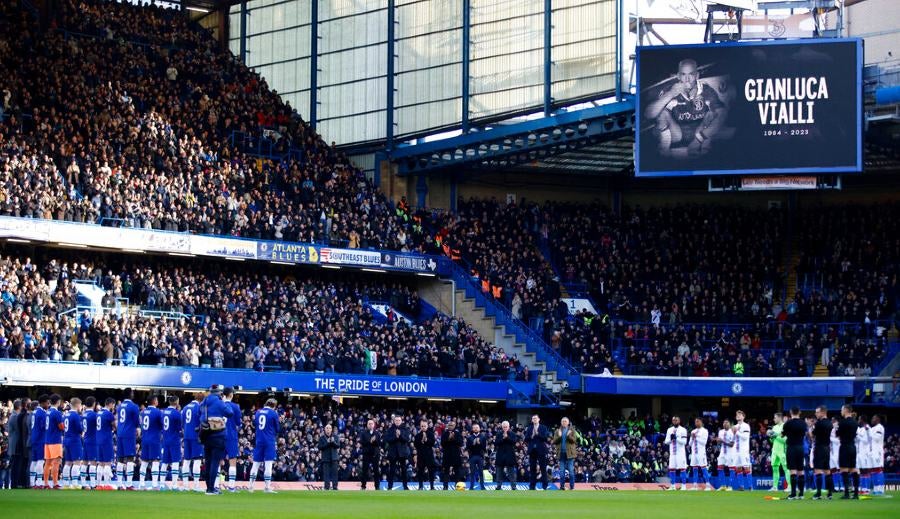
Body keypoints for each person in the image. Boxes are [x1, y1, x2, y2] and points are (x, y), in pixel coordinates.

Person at [643, 58, 726, 158]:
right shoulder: (671, 90)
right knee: (662, 113)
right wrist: (670, 94)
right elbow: (648, 114)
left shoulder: (706, 90)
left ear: (697, 75)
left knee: (712, 114)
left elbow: (722, 115)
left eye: (691, 74)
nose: (687, 79)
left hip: (699, 133)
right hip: (677, 135)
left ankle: (705, 151)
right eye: (683, 74)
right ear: (678, 76)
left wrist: (699, 138)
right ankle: (664, 151)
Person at [199, 384, 234, 495]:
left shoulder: (204, 401)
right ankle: (211, 488)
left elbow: (198, 414)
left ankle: (208, 487)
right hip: (218, 435)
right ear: (219, 392)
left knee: (208, 462)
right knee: (215, 462)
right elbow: (229, 413)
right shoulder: (219, 402)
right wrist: (224, 401)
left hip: (205, 435)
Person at [248, 398, 279, 493]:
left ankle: (251, 486)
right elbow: (277, 429)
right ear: (273, 406)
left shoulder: (258, 412)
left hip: (259, 440)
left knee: (256, 463)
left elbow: (255, 424)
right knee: (268, 464)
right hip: (269, 441)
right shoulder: (273, 413)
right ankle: (267, 487)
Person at [116, 388, 140, 490]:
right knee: (130, 458)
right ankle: (129, 484)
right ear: (130, 394)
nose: (133, 394)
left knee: (120, 459)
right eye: (133, 392)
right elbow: (136, 421)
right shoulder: (134, 406)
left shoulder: (119, 406)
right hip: (129, 434)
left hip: (120, 433)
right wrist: (138, 429)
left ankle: (119, 483)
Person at [782, 406, 807, 500]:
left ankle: (793, 493)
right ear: (799, 412)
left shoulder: (788, 423)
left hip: (791, 448)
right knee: (801, 470)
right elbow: (804, 433)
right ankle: (801, 494)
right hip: (800, 448)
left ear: (791, 412)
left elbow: (783, 434)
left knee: (792, 470)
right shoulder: (803, 423)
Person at [138, 395, 163, 490]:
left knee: (144, 462)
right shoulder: (157, 412)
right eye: (156, 400)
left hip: (145, 439)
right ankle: (155, 485)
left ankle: (141, 484)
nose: (158, 401)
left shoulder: (143, 412)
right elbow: (162, 424)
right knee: (155, 462)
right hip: (154, 440)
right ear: (154, 401)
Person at [181, 392, 204, 492]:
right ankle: (196, 485)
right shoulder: (200, 407)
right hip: (196, 437)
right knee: (197, 460)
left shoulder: (185, 407)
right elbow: (202, 422)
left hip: (186, 436)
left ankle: (185, 485)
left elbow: (182, 423)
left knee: (186, 460)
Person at [837, 404, 860, 499]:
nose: (841, 411)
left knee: (844, 469)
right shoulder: (855, 422)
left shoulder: (842, 422)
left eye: (842, 410)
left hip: (845, 446)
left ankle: (846, 493)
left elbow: (838, 434)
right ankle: (855, 493)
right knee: (853, 469)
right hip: (853, 447)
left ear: (846, 410)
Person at [161, 395, 183, 491]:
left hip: (165, 440)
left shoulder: (163, 412)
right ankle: (174, 485)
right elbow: (179, 428)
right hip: (174, 439)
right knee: (175, 462)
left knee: (165, 462)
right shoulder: (176, 413)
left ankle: (161, 485)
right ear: (177, 402)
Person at [811, 405, 834, 499]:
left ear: (822, 412)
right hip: (827, 448)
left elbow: (812, 435)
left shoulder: (818, 423)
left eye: (817, 412)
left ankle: (819, 493)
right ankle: (829, 494)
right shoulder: (830, 423)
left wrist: (811, 429)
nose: (816, 414)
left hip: (819, 448)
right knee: (827, 471)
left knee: (818, 470)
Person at [62, 398, 84, 489]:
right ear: (78, 405)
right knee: (76, 462)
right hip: (74, 440)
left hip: (66, 439)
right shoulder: (75, 415)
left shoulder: (66, 414)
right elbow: (80, 429)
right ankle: (75, 483)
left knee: (68, 462)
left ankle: (66, 483)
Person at [44, 394, 65, 490]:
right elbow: (61, 426)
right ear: (58, 402)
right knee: (56, 462)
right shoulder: (57, 413)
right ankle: (55, 483)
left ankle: (45, 483)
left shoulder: (47, 412)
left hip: (47, 439)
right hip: (55, 440)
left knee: (47, 463)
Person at [222, 388, 241, 492]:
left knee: (218, 461)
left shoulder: (219, 405)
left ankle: (215, 486)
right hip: (231, 436)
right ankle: (231, 486)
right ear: (231, 395)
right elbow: (238, 423)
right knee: (232, 461)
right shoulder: (235, 406)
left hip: (219, 435)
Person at [385, 415, 411, 490]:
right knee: (392, 471)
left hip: (402, 453)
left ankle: (405, 486)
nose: (397, 422)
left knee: (404, 470)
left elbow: (407, 439)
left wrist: (400, 435)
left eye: (399, 420)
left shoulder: (405, 429)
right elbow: (387, 440)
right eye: (396, 420)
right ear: (394, 421)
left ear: (401, 421)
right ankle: (390, 486)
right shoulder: (390, 429)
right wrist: (395, 437)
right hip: (393, 453)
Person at [96, 398, 117, 489]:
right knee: (107, 462)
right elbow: (115, 426)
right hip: (106, 439)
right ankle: (107, 484)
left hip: (98, 439)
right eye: (114, 405)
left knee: (101, 463)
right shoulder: (109, 414)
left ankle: (99, 484)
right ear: (111, 404)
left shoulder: (98, 413)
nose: (114, 407)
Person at [551, 417, 577, 491]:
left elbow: (574, 441)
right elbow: (554, 442)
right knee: (561, 472)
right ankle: (562, 487)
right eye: (562, 421)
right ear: (561, 422)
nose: (564, 422)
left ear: (568, 422)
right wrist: (559, 436)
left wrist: (569, 435)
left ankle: (572, 487)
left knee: (571, 472)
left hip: (570, 454)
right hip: (561, 454)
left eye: (565, 421)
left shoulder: (572, 430)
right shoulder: (557, 431)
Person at [767, 412, 790, 493]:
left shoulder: (785, 426)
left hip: (782, 450)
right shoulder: (774, 427)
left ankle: (789, 486)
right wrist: (770, 436)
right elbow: (773, 440)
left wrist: (776, 435)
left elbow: (785, 440)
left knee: (786, 468)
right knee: (775, 468)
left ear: (780, 418)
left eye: (775, 418)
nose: (774, 419)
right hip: (775, 450)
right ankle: (775, 487)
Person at [664, 415, 688, 490]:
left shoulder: (683, 430)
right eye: (673, 420)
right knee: (672, 469)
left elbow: (684, 442)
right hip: (672, 453)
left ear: (679, 421)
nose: (675, 421)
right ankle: (673, 486)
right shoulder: (669, 430)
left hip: (680, 453)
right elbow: (666, 442)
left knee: (682, 469)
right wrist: (671, 439)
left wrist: (676, 438)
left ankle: (684, 486)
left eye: (676, 420)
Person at [525, 415, 549, 490]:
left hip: (541, 450)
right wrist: (531, 436)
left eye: (535, 418)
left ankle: (545, 486)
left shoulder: (543, 427)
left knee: (543, 468)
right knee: (532, 468)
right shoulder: (529, 428)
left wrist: (538, 434)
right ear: (532, 420)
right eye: (533, 418)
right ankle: (532, 486)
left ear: (539, 419)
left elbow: (545, 438)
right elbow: (526, 439)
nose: (534, 420)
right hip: (532, 450)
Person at [30, 395, 49, 488]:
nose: (48, 404)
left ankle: (32, 482)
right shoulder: (42, 413)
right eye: (47, 402)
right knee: (40, 461)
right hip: (40, 439)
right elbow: (44, 427)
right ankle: (39, 482)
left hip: (34, 438)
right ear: (44, 402)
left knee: (34, 461)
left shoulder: (34, 412)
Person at [689, 417, 711, 491]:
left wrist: (696, 437)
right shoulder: (693, 431)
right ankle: (695, 486)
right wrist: (692, 438)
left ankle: (708, 485)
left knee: (703, 468)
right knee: (694, 469)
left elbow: (704, 442)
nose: (696, 423)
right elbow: (689, 444)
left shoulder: (705, 431)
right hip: (694, 453)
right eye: (695, 421)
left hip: (701, 453)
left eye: (698, 421)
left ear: (701, 422)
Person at [494, 421, 518, 490]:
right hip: (500, 455)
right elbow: (496, 443)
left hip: (510, 455)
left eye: (506, 427)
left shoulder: (512, 434)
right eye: (503, 427)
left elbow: (514, 442)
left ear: (509, 427)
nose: (505, 428)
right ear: (502, 427)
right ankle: (498, 486)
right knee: (499, 472)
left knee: (511, 472)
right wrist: (503, 439)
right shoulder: (499, 434)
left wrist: (507, 437)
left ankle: (513, 486)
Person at [413, 419, 436, 490]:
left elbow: (432, 443)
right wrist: (422, 440)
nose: (423, 427)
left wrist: (426, 440)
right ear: (420, 426)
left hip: (429, 456)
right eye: (422, 426)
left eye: (424, 426)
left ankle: (432, 487)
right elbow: (416, 445)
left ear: (427, 426)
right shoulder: (417, 436)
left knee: (431, 471)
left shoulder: (431, 434)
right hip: (421, 456)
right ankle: (420, 486)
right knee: (420, 472)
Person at [359, 419, 381, 490]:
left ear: (374, 425)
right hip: (366, 454)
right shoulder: (363, 433)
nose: (370, 425)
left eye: (372, 424)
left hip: (375, 454)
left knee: (376, 471)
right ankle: (363, 486)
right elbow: (362, 442)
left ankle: (377, 486)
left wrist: (374, 441)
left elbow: (379, 444)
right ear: (367, 425)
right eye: (369, 424)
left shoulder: (377, 433)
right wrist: (370, 441)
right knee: (364, 470)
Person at [733, 410, 752, 490]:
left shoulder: (746, 426)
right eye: (737, 414)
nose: (738, 416)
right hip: (736, 450)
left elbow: (745, 437)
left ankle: (750, 486)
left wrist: (737, 432)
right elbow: (733, 439)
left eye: (740, 414)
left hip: (744, 450)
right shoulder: (735, 426)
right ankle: (741, 486)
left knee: (746, 467)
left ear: (743, 417)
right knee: (738, 468)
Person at [440, 421, 462, 490]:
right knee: (446, 471)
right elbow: (442, 444)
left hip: (455, 455)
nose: (450, 426)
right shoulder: (444, 434)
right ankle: (445, 486)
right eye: (449, 425)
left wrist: (453, 438)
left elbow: (460, 443)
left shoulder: (458, 433)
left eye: (452, 425)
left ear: (454, 426)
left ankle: (457, 486)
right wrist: (448, 439)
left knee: (457, 471)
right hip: (447, 455)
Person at [82, 397, 98, 489]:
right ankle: (92, 484)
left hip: (86, 439)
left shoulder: (84, 414)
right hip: (93, 440)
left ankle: (84, 484)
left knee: (84, 462)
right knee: (93, 462)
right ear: (94, 403)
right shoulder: (94, 415)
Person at [318, 424, 340, 491]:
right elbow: (320, 447)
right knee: (326, 474)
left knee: (335, 473)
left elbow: (338, 446)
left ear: (331, 429)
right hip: (325, 458)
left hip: (334, 458)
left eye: (329, 428)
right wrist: (327, 443)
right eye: (327, 428)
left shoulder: (335, 436)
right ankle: (326, 487)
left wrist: (333, 442)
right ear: (324, 429)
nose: (328, 429)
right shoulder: (322, 438)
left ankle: (335, 487)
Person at [715, 419, 734, 491]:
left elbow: (732, 444)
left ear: (730, 424)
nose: (725, 424)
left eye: (726, 422)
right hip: (722, 452)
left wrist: (722, 441)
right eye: (724, 422)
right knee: (719, 467)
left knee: (731, 469)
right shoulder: (720, 432)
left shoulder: (732, 432)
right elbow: (719, 443)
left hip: (730, 452)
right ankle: (723, 485)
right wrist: (718, 441)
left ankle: (730, 486)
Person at [467, 423, 487, 490]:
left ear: (479, 429)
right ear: (472, 429)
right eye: (474, 427)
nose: (476, 428)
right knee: (472, 472)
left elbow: (484, 448)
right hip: (472, 456)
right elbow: (467, 448)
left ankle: (482, 486)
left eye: (477, 427)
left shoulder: (483, 437)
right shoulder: (469, 437)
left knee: (481, 472)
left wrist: (479, 443)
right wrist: (473, 444)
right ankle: (471, 487)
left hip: (480, 456)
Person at [8, 399, 22, 489]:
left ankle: (15, 483)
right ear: (19, 407)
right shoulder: (15, 416)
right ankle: (14, 484)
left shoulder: (13, 415)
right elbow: (18, 430)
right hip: (15, 444)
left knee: (15, 465)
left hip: (14, 443)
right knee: (15, 465)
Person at [856, 415, 872, 494]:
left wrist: (858, 436)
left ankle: (866, 489)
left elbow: (866, 441)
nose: (858, 421)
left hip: (865, 453)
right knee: (861, 471)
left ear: (862, 420)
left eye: (859, 419)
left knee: (865, 471)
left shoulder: (867, 428)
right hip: (859, 453)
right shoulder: (861, 429)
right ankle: (863, 489)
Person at [869, 415, 885, 495]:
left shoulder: (880, 427)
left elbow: (877, 438)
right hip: (872, 452)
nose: (872, 419)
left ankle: (881, 489)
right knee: (873, 471)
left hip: (878, 452)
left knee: (879, 470)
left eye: (873, 418)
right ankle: (875, 488)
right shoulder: (872, 429)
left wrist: (869, 432)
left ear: (878, 419)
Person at [829, 417, 843, 493]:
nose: (833, 423)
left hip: (839, 452)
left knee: (840, 470)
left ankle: (842, 487)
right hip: (832, 453)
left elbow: (839, 441)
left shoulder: (840, 430)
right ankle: (836, 486)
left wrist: (830, 438)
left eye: (834, 421)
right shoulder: (831, 430)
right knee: (833, 470)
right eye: (832, 421)